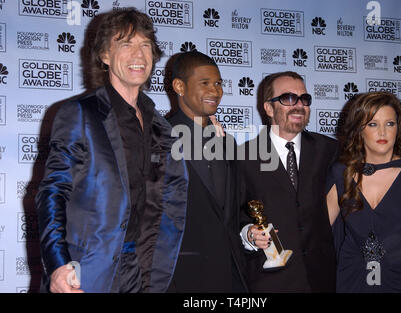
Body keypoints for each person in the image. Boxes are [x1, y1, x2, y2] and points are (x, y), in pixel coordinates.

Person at [35, 8, 188, 293]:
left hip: (146, 273)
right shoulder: (79, 114)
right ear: (105, 55)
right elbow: (54, 192)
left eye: (145, 45)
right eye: (125, 44)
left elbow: (169, 202)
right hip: (87, 274)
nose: (139, 55)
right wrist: (58, 265)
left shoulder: (162, 127)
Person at [326, 91, 401, 292]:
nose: (383, 132)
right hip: (351, 281)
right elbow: (318, 234)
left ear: (399, 128)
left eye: (390, 124)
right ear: (359, 130)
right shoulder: (341, 173)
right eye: (373, 124)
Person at [239, 71, 337, 292]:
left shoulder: (330, 151)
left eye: (304, 99)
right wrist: (249, 234)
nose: (299, 105)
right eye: (289, 98)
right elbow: (233, 217)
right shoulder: (244, 158)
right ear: (268, 108)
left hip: (322, 281)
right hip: (268, 283)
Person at [166, 51, 248, 292]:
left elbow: (234, 207)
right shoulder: (158, 138)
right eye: (205, 83)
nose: (215, 91)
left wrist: (248, 232)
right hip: (179, 277)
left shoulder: (227, 143)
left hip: (229, 276)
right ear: (180, 86)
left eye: (218, 83)